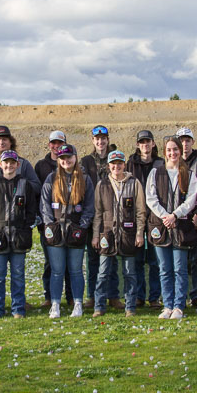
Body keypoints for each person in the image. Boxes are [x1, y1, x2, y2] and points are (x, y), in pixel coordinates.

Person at [0, 125, 40, 312]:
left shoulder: (24, 166)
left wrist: (20, 188)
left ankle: (18, 305)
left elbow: (34, 193)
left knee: (17, 272)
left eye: (4, 139)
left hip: (18, 229)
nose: (1, 142)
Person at [146, 137, 197, 319]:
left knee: (180, 268)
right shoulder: (155, 173)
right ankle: (167, 305)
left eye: (175, 149)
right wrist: (165, 216)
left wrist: (174, 215)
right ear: (164, 151)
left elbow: (191, 200)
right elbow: (151, 199)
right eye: (169, 150)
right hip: (160, 227)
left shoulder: (189, 174)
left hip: (181, 226)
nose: (172, 153)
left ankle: (179, 306)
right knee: (164, 269)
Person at [41, 144, 95, 318]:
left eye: (69, 157)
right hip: (56, 232)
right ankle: (55, 304)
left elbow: (89, 206)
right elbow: (45, 206)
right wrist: (51, 226)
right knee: (56, 270)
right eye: (62, 158)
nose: (66, 161)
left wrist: (83, 226)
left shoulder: (85, 179)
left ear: (75, 158)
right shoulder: (51, 178)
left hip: (76, 232)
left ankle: (78, 303)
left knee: (76, 270)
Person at [91, 150, 146, 317]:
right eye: (113, 164)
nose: (117, 166)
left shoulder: (134, 183)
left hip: (128, 234)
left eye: (119, 163)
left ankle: (130, 306)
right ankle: (99, 306)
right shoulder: (102, 185)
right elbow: (98, 212)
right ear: (109, 166)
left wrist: (139, 233)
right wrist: (95, 235)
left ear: (124, 165)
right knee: (103, 272)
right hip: (107, 234)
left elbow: (140, 211)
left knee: (129, 272)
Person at [80, 125, 121, 310]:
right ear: (92, 140)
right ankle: (93, 296)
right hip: (93, 215)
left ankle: (113, 295)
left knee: (112, 257)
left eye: (103, 138)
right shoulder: (86, 161)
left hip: (112, 215)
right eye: (97, 138)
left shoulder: (116, 158)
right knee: (93, 259)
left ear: (107, 139)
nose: (100, 141)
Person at [34, 130, 73, 308]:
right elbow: (38, 196)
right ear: (49, 144)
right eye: (53, 143)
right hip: (48, 223)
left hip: (69, 223)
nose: (56, 146)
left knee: (70, 264)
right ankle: (49, 296)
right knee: (50, 262)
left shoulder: (71, 162)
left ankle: (71, 297)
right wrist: (44, 222)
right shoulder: (41, 166)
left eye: (60, 143)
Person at [126, 130, 164, 309]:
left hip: (156, 217)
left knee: (155, 260)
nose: (145, 145)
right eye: (142, 142)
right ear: (137, 145)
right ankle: (139, 296)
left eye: (148, 142)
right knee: (138, 259)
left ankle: (154, 297)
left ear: (153, 144)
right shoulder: (131, 164)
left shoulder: (160, 163)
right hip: (137, 217)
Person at [176, 127, 197, 307]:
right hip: (179, 219)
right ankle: (180, 296)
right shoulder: (172, 162)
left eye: (188, 140)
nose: (185, 144)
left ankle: (196, 295)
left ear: (193, 142)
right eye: (181, 141)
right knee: (179, 262)